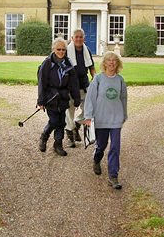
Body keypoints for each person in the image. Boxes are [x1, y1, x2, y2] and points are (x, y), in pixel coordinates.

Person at [84, 51, 127, 189]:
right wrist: (88, 116)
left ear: (118, 63)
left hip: (116, 118)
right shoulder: (98, 79)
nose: (111, 62)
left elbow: (123, 99)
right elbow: (90, 98)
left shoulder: (120, 80)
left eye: (114, 60)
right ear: (104, 63)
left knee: (115, 147)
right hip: (101, 118)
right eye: (109, 60)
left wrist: (124, 115)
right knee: (101, 145)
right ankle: (97, 159)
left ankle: (113, 176)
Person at [37, 38, 81, 156]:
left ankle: (58, 144)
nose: (61, 52)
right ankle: (44, 136)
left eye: (63, 49)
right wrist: (41, 101)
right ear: (53, 49)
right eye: (58, 49)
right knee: (54, 120)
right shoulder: (47, 63)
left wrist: (76, 99)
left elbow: (74, 83)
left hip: (63, 97)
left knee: (61, 122)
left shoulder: (68, 63)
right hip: (50, 97)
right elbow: (41, 83)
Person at [65, 29, 96, 148]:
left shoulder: (86, 50)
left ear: (84, 38)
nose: (78, 39)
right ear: (72, 38)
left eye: (80, 37)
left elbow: (92, 67)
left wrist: (95, 78)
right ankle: (70, 135)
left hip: (84, 84)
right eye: (76, 37)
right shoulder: (67, 50)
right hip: (70, 86)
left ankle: (76, 124)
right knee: (69, 110)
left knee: (89, 109)